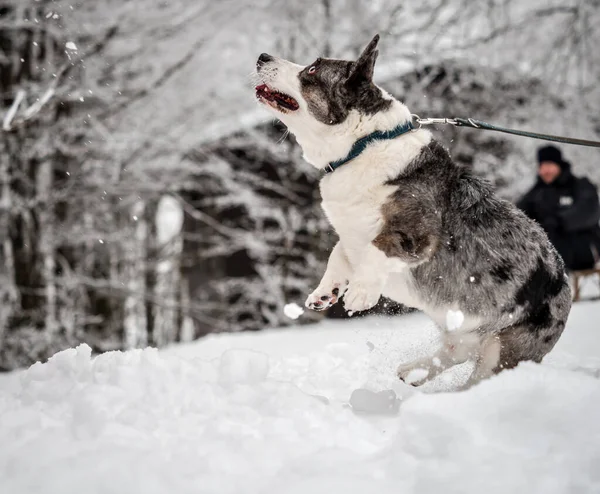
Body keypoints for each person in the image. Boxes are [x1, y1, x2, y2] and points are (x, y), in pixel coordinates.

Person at [517, 145, 600, 271]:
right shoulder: (535, 194)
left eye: (549, 165)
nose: (546, 171)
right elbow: (518, 214)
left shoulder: (579, 186)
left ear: (559, 165)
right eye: (542, 167)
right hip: (547, 261)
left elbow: (590, 211)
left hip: (583, 256)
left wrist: (560, 220)